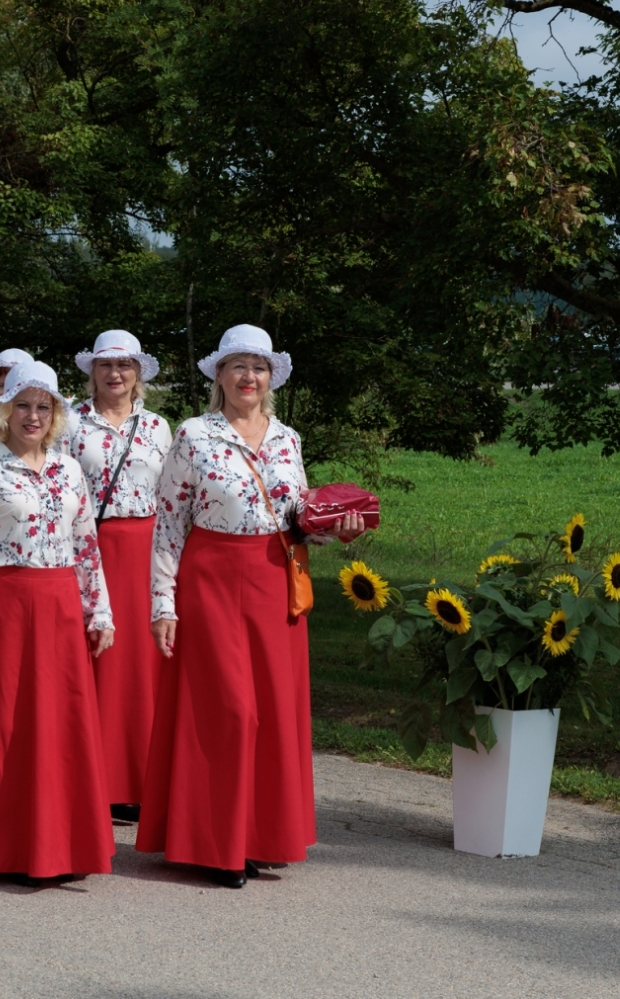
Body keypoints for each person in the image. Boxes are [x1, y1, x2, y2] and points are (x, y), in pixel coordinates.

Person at [139, 324, 365, 889]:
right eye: (238, 366)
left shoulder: (288, 439)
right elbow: (168, 523)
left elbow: (298, 517)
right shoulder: (194, 435)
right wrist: (162, 603)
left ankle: (258, 838)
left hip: (274, 580)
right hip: (211, 577)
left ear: (271, 379)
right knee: (229, 710)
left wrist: (335, 530)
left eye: (259, 367)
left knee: (270, 715)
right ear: (220, 374)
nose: (249, 377)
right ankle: (216, 843)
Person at [0, 361, 116, 884]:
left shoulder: (70, 468)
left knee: (58, 726)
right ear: (5, 410)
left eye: (43, 406)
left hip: (58, 605)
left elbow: (86, 544)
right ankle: (0, 847)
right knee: (3, 727)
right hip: (5, 603)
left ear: (54, 414)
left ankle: (57, 848)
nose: (33, 415)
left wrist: (99, 609)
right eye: (24, 405)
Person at [63, 330, 173, 822]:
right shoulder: (68, 423)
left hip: (144, 551)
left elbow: (172, 500)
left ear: (139, 373)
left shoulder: (159, 428)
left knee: (140, 667)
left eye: (125, 366)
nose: (115, 374)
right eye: (106, 366)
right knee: (94, 657)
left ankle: (140, 779)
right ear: (91, 372)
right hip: (86, 546)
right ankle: (93, 779)